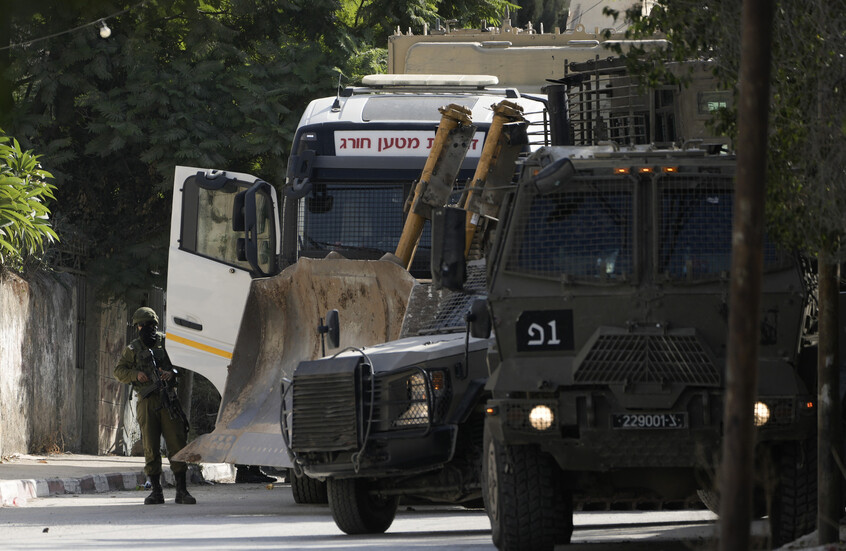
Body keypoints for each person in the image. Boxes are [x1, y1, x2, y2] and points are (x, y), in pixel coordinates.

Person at [114, 307, 196, 505]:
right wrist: (136, 375)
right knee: (150, 446)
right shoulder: (133, 349)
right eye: (142, 325)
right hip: (147, 402)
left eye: (150, 325)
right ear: (137, 327)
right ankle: (156, 491)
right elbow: (119, 371)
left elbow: (184, 364)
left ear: (155, 325)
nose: (146, 329)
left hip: (168, 399)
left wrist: (172, 373)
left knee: (176, 443)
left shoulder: (168, 343)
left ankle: (181, 490)